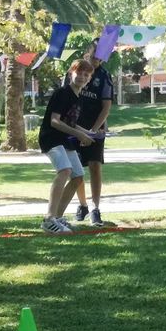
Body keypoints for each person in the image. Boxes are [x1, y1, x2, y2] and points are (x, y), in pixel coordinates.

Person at [39, 59, 104, 233]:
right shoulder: (62, 93)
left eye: (86, 75)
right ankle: (49, 219)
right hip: (51, 138)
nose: (82, 77)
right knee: (65, 170)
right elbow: (54, 121)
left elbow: (71, 123)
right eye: (79, 73)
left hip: (64, 140)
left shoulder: (79, 97)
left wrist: (90, 133)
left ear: (89, 79)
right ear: (71, 74)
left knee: (78, 176)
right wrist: (79, 135)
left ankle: (58, 218)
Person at [67, 45, 116, 225]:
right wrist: (75, 128)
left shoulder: (104, 77)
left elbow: (106, 106)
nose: (98, 59)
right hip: (73, 127)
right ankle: (83, 205)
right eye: (96, 55)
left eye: (102, 57)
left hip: (95, 129)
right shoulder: (74, 70)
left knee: (95, 166)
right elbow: (67, 99)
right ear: (89, 52)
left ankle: (96, 208)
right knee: (77, 169)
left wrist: (94, 130)